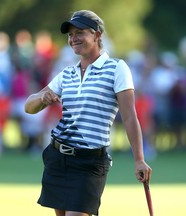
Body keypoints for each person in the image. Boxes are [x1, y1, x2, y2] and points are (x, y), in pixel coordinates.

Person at [25, 10, 152, 216]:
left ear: (97, 35)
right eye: (70, 34)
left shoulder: (117, 68)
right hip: (58, 157)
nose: (74, 38)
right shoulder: (67, 73)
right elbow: (29, 107)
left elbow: (129, 116)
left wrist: (139, 158)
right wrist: (42, 98)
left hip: (90, 162)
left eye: (80, 32)